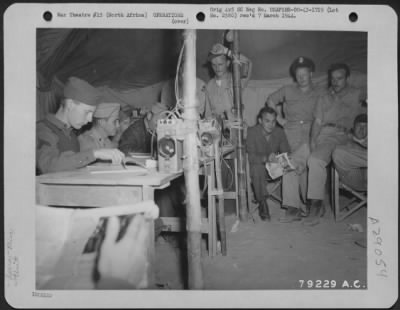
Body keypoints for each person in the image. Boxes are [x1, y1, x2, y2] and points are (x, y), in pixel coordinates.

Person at [305, 63, 366, 226]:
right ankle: (316, 206)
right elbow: (317, 123)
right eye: (332, 78)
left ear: (347, 78)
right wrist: (312, 141)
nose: (335, 81)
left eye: (339, 78)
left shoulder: (357, 94)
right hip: (328, 135)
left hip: (349, 136)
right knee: (314, 159)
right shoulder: (323, 97)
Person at [36, 77, 125, 174]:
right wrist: (94, 153)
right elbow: (48, 165)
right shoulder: (43, 129)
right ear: (70, 104)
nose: (90, 119)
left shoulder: (71, 134)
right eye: (87, 112)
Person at [266, 56, 325, 152]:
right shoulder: (288, 89)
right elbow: (270, 100)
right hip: (292, 131)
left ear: (310, 74)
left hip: (312, 130)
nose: (301, 78)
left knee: (311, 160)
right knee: (292, 160)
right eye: (298, 75)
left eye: (304, 75)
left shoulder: (320, 91)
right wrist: (280, 120)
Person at [246, 107, 290, 221]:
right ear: (260, 121)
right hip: (258, 169)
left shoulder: (279, 132)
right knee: (257, 168)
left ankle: (294, 206)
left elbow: (286, 152)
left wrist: (279, 159)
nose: (271, 124)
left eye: (273, 121)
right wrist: (266, 158)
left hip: (275, 167)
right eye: (267, 121)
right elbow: (250, 157)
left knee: (293, 165)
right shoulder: (251, 132)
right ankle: (262, 202)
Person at [204, 43, 252, 121]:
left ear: (228, 63)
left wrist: (227, 52)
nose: (217, 68)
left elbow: (248, 63)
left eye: (220, 64)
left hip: (236, 129)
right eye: (213, 65)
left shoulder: (236, 80)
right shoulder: (209, 85)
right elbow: (208, 113)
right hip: (217, 129)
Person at [332, 113, 367, 191]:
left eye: (365, 126)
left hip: (375, 178)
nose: (362, 129)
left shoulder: (374, 141)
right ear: (353, 127)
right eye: (359, 126)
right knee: (338, 152)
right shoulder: (344, 139)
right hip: (355, 179)